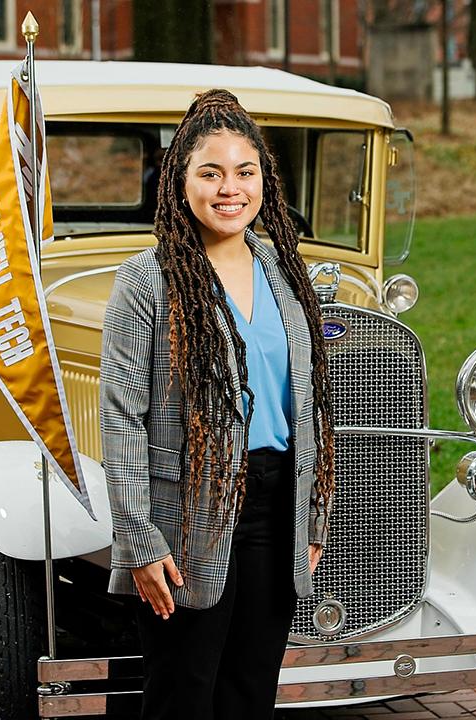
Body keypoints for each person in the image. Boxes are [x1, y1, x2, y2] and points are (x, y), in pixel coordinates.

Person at [99, 89, 337, 720]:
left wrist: (314, 516)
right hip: (186, 512)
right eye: (210, 172)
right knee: (183, 695)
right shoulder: (145, 283)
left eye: (244, 171)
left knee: (249, 694)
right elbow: (121, 420)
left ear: (264, 180)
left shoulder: (284, 274)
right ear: (180, 183)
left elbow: (309, 405)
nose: (229, 188)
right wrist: (140, 542)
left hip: (274, 503)